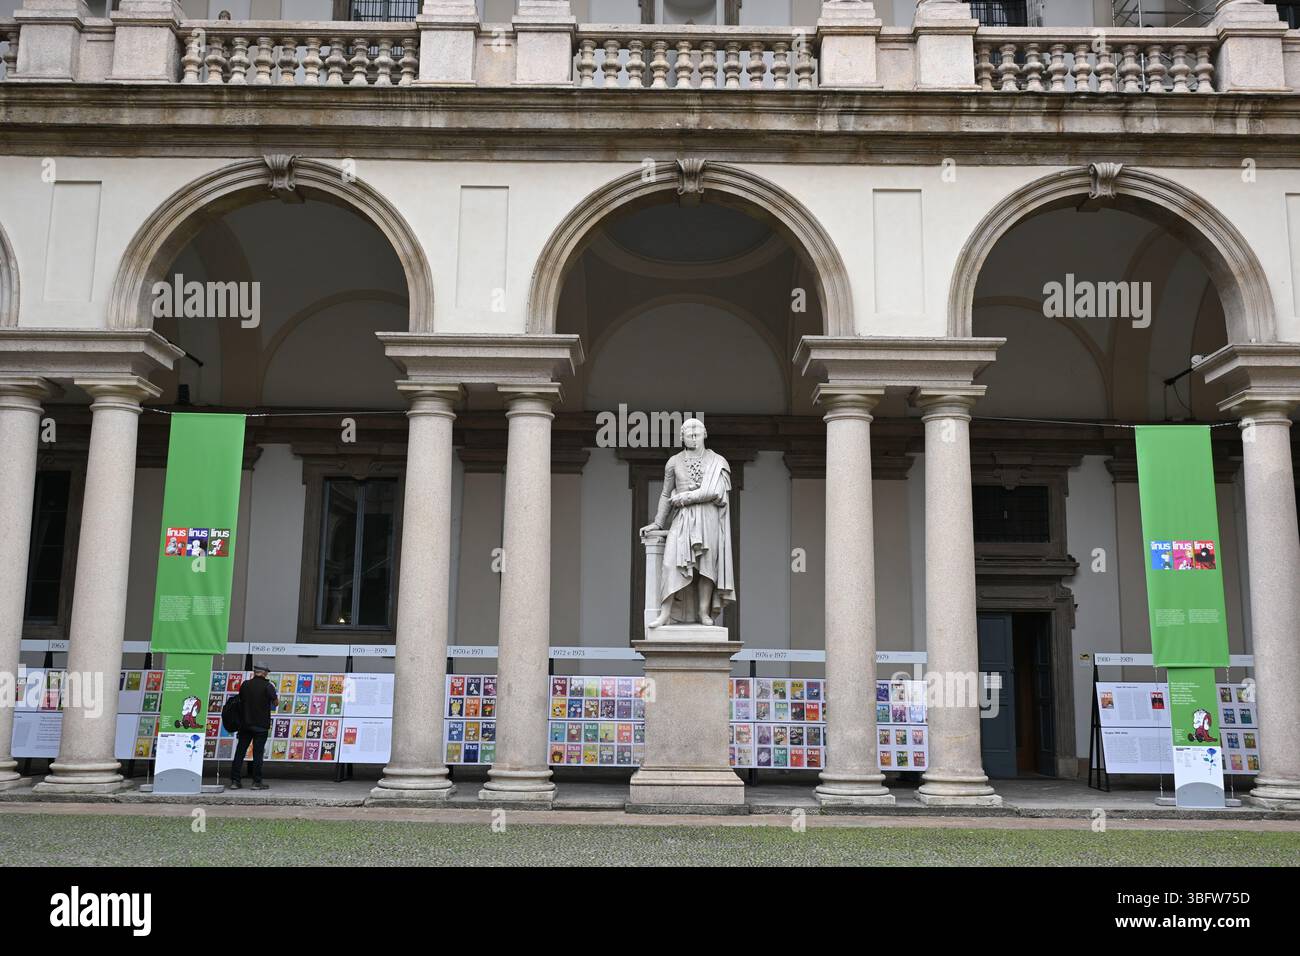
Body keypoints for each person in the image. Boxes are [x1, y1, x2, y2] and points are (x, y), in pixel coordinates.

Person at [639, 418, 735, 628]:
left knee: (707, 567)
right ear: (681, 437)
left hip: (708, 517)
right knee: (670, 563)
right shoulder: (673, 462)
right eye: (688, 433)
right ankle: (665, 613)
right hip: (682, 519)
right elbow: (665, 494)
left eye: (697, 432)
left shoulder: (718, 461)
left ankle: (703, 613)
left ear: (705, 434)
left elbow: (716, 492)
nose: (692, 435)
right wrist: (657, 522)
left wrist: (685, 497)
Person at [230, 662, 278, 790]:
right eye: (267, 672)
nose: (267, 674)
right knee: (258, 754)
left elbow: (241, 699)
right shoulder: (268, 686)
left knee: (240, 752)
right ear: (264, 673)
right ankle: (256, 782)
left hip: (245, 724)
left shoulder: (245, 685)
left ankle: (235, 781)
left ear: (255, 672)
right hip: (261, 725)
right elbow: (276, 702)